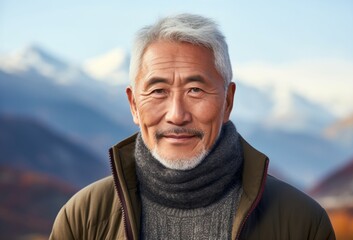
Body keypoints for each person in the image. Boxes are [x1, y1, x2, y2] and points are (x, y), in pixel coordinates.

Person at [50, 13, 335, 239]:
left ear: (228, 101)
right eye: (158, 90)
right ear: (134, 104)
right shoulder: (83, 218)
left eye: (196, 90)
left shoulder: (303, 223)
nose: (177, 115)